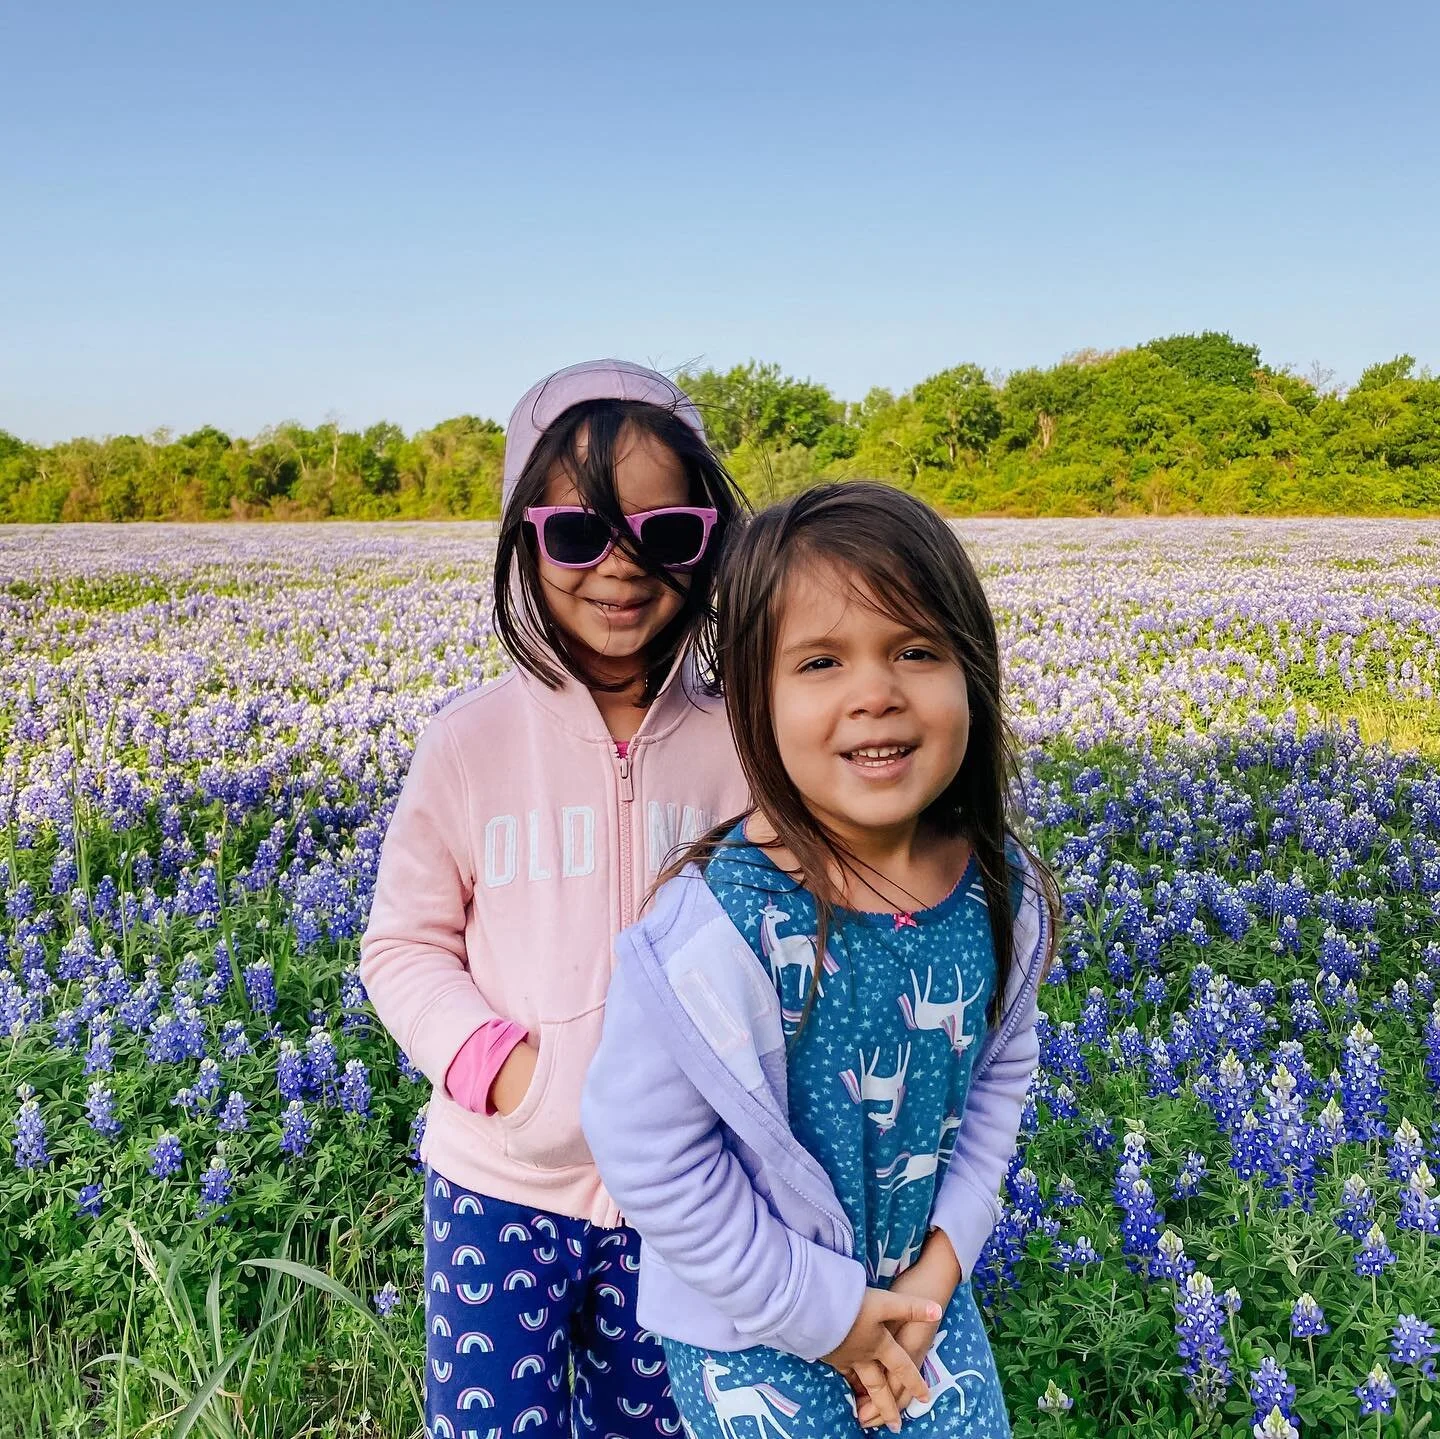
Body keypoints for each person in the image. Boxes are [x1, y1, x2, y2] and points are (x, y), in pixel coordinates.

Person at [582, 482, 1058, 1437]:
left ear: (976, 670)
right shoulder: (713, 928)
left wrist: (944, 1259)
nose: (874, 691)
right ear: (754, 700)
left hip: (923, 1303)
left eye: (917, 650)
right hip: (753, 1322)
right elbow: (646, 1148)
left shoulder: (1001, 894)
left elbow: (998, 1077)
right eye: (821, 661)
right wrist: (820, 1312)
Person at [361, 360, 749, 1438]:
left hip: (686, 1196)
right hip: (500, 1181)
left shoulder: (748, 742)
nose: (621, 567)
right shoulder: (470, 743)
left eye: (664, 533)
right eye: (579, 534)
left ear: (709, 538)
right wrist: (509, 1076)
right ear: (523, 538)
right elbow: (402, 946)